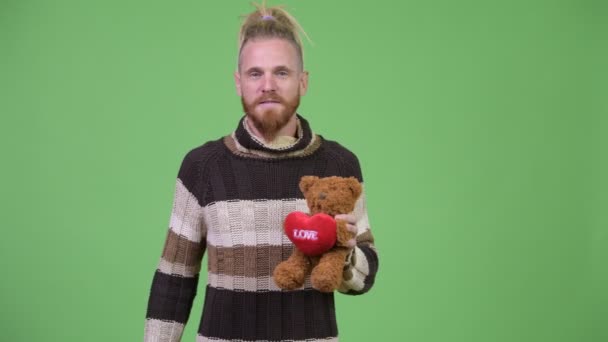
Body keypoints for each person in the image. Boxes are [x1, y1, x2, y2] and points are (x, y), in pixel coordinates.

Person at [144, 3, 379, 341]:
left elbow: (365, 277)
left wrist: (346, 255)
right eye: (256, 73)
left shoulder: (339, 166)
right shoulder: (202, 167)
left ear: (303, 81)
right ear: (239, 83)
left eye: (281, 72)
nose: (268, 85)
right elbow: (173, 281)